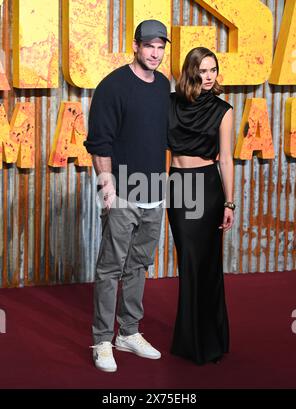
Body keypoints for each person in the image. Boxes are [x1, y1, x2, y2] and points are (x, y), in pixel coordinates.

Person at [84, 20, 170, 372]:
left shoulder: (164, 84)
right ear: (135, 46)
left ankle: (128, 332)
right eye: (149, 45)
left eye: (161, 47)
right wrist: (108, 188)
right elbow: (99, 142)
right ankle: (103, 340)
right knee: (110, 269)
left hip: (154, 193)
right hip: (122, 194)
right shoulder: (114, 86)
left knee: (138, 266)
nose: (155, 53)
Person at [167, 47, 234, 365]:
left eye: (213, 70)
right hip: (178, 187)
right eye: (202, 71)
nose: (208, 76)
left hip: (207, 189)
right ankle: (189, 339)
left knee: (206, 264)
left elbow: (227, 158)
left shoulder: (223, 109)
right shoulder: (170, 104)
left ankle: (209, 341)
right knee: (188, 263)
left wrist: (230, 202)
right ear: (190, 72)